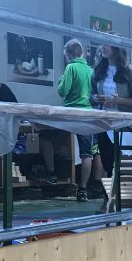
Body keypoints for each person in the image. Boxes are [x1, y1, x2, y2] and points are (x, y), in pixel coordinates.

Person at [89, 45, 132, 201]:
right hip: (104, 122)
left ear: (116, 47)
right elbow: (91, 94)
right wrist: (95, 98)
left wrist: (117, 100)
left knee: (118, 163)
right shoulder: (98, 71)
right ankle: (109, 198)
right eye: (101, 44)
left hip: (123, 124)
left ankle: (117, 197)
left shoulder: (129, 72)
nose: (102, 47)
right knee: (106, 161)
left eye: (106, 44)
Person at [53, 39, 95, 201]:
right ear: (81, 53)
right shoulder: (91, 70)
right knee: (87, 153)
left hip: (70, 114)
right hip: (88, 115)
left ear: (69, 55)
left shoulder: (71, 68)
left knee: (50, 139)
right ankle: (83, 189)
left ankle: (56, 179)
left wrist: (60, 81)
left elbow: (62, 91)